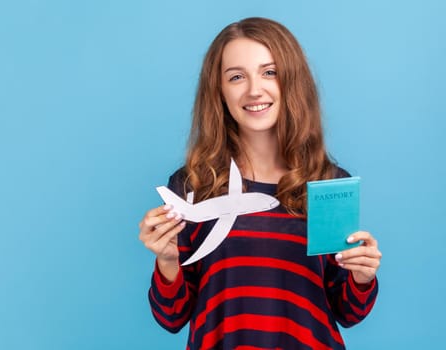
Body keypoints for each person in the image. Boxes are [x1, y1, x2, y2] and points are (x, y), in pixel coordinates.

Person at [139, 17, 382, 350]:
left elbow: (347, 312)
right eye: (236, 77)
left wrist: (362, 276)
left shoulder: (328, 184)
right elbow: (171, 318)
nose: (254, 89)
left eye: (270, 72)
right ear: (219, 91)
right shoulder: (193, 186)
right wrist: (167, 261)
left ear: (292, 82)